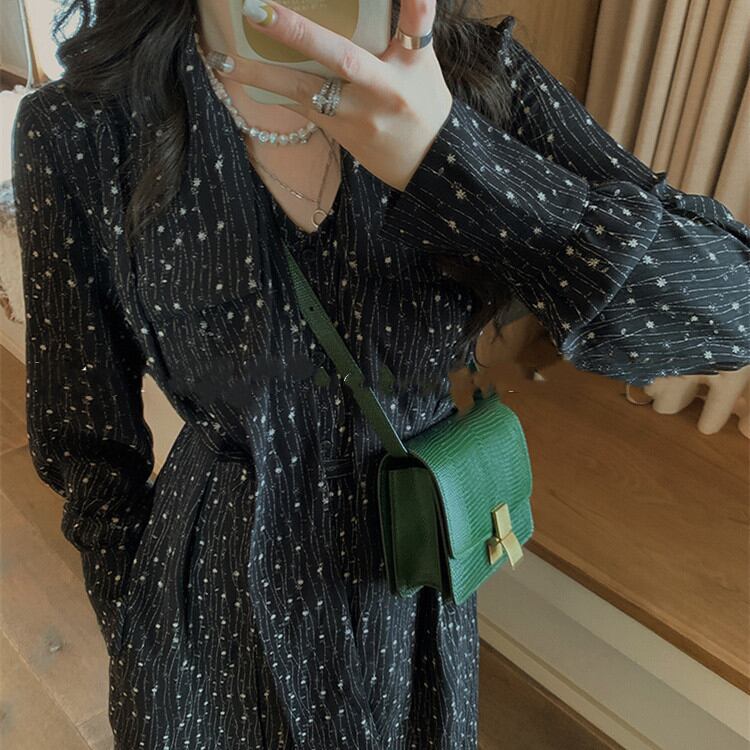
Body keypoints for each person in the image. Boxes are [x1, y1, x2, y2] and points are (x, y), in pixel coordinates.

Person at [12, 1, 749, 748]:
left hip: (413, 593)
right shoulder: (82, 126)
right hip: (214, 616)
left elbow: (730, 306)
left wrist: (456, 161)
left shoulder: (474, 80)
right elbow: (86, 442)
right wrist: (138, 625)